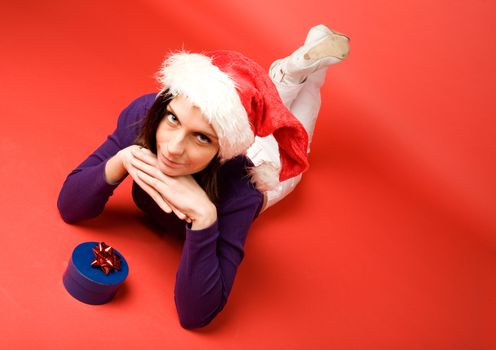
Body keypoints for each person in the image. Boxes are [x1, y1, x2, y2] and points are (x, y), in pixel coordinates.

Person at [57, 24, 350, 329]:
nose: (172, 148)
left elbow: (196, 315)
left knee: (295, 124)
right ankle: (291, 71)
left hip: (265, 166)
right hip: (232, 129)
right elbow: (69, 206)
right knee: (258, 104)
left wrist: (205, 217)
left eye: (201, 138)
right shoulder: (145, 115)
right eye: (173, 119)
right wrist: (119, 161)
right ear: (165, 107)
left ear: (220, 147)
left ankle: (313, 74)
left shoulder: (244, 190)